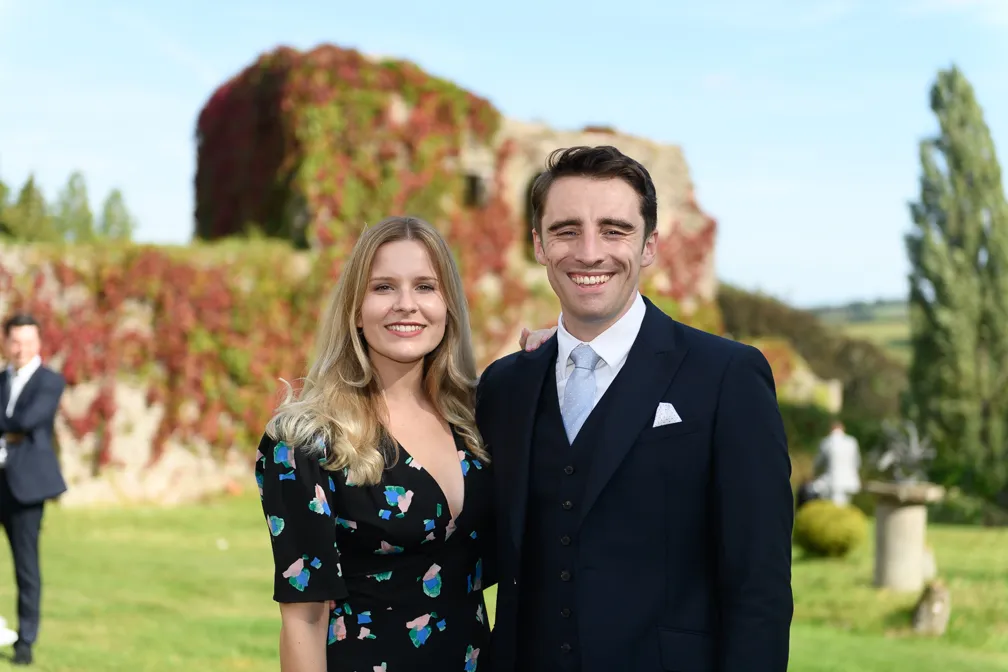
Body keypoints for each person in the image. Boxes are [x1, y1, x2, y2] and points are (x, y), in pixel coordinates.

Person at [476, 146, 795, 672]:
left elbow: (757, 586)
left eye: (615, 230)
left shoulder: (726, 378)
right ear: (539, 245)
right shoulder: (505, 386)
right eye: (566, 230)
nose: (590, 251)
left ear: (649, 246)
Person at [255, 216, 554, 672]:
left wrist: (563, 354)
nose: (406, 305)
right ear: (356, 309)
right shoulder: (306, 441)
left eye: (425, 287)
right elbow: (305, 620)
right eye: (383, 288)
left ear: (449, 305)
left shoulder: (480, 418)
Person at [0, 313, 68, 666]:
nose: (20, 348)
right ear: (5, 341)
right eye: (14, 340)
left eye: (28, 340)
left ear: (38, 343)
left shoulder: (49, 382)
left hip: (26, 486)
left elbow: (28, 420)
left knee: (26, 566)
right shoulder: (0, 380)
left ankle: (25, 641)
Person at [811, 419, 861, 506]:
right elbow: (858, 463)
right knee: (845, 507)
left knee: (834, 507)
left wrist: (814, 474)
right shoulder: (852, 442)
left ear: (831, 429)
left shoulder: (827, 442)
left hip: (833, 481)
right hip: (850, 481)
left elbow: (818, 464)